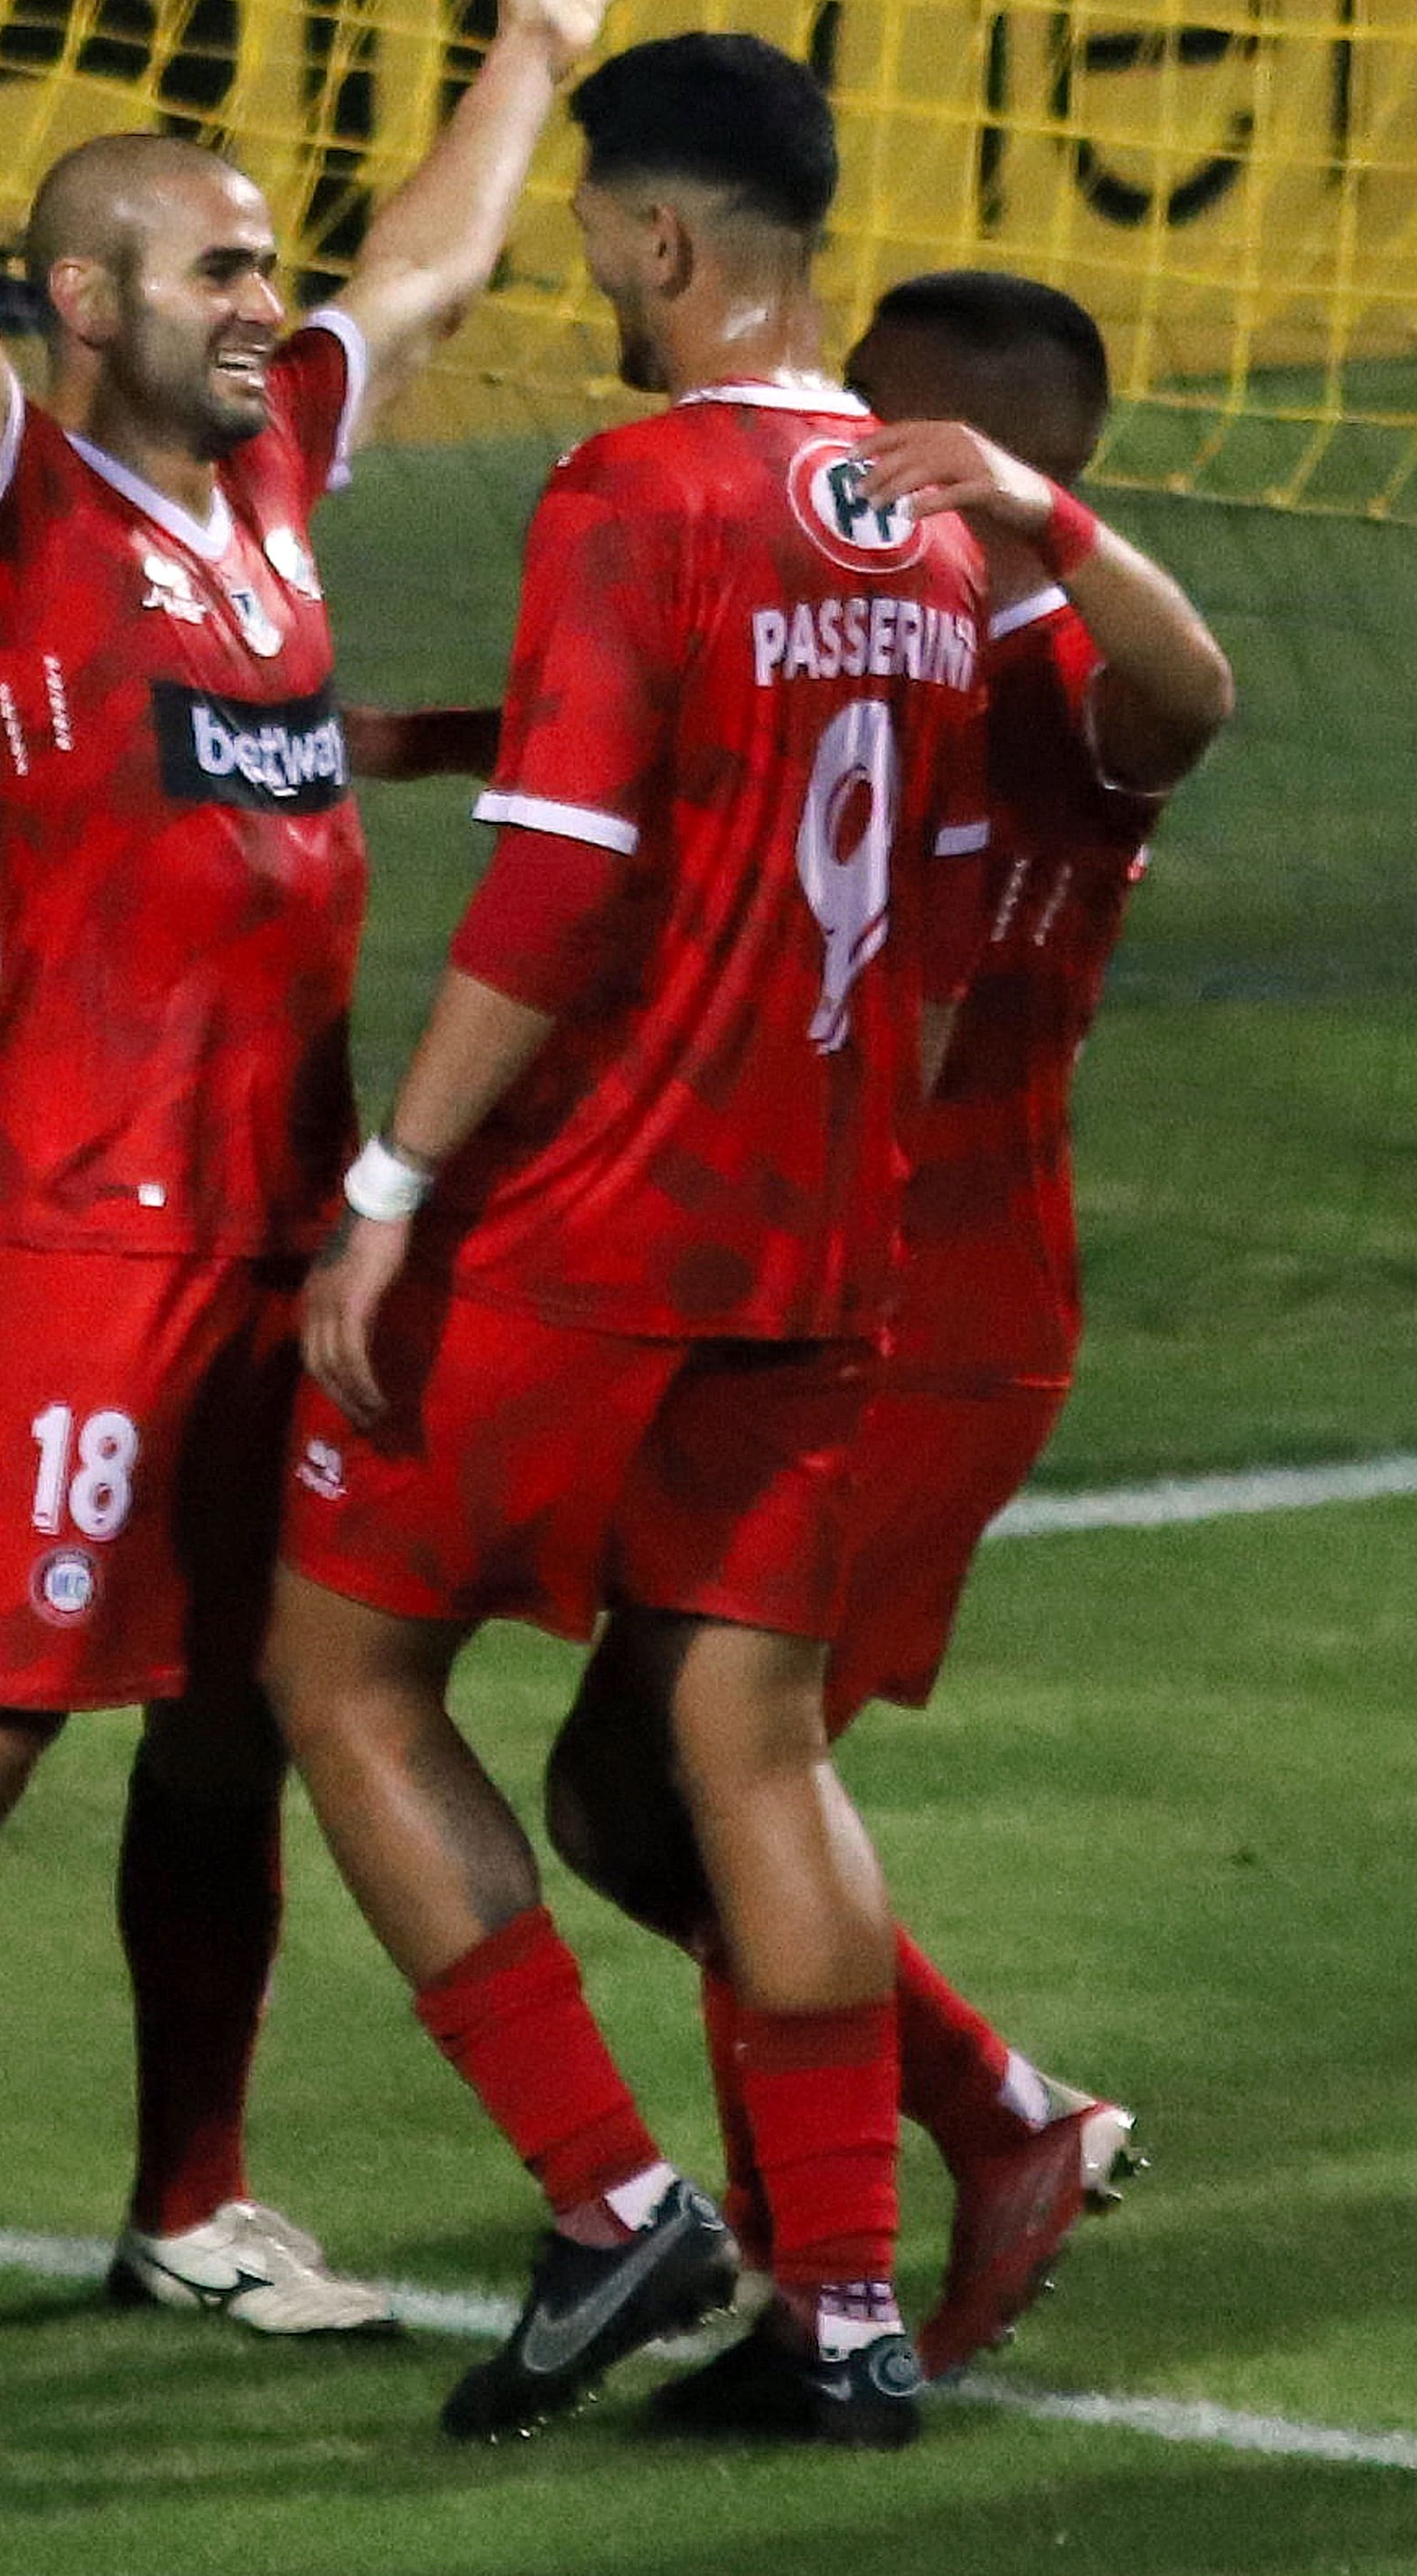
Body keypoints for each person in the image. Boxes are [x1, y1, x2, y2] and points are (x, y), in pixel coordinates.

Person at [0, 0, 646, 2398]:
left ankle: (193, 2194)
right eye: (218, 271)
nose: (269, 302)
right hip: (87, 1235)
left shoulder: (266, 486)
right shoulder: (8, 498)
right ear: (87, 301)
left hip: (291, 1218)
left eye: (263, 266)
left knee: (238, 1708)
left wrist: (531, 47)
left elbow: (431, 270)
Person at [268, 31, 995, 2448]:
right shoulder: (930, 524)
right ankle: (849, 2314)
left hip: (602, 1226)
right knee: (748, 1743)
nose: (587, 267)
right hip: (825, 1226)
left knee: (340, 1668)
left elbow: (571, 887)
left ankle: (611, 2198)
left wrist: (391, 1195)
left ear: (666, 242)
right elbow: (869, 847)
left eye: (595, 229)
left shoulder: (630, 490)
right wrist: (495, 723)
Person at [534, 270, 1224, 2380]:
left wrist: (1052, 523)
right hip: (799, 1283)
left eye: (881, 417)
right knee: (634, 1791)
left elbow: (1194, 696)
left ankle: (832, 2242)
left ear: (987, 447)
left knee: (719, 1773)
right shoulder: (863, 620)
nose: (830, 436)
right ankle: (957, 2138)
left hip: (941, 1315)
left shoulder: (1047, 665)